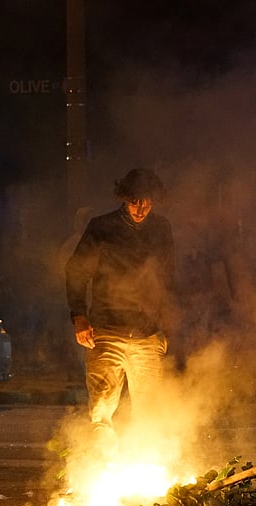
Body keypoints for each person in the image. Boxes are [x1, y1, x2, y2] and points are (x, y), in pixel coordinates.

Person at [64, 168, 176, 449]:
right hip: (105, 331)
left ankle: (145, 466)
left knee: (150, 413)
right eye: (136, 201)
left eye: (148, 201)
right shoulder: (102, 227)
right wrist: (79, 317)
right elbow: (76, 272)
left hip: (147, 334)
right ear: (125, 198)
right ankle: (100, 471)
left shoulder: (161, 229)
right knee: (102, 411)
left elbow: (169, 279)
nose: (141, 208)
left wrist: (166, 325)